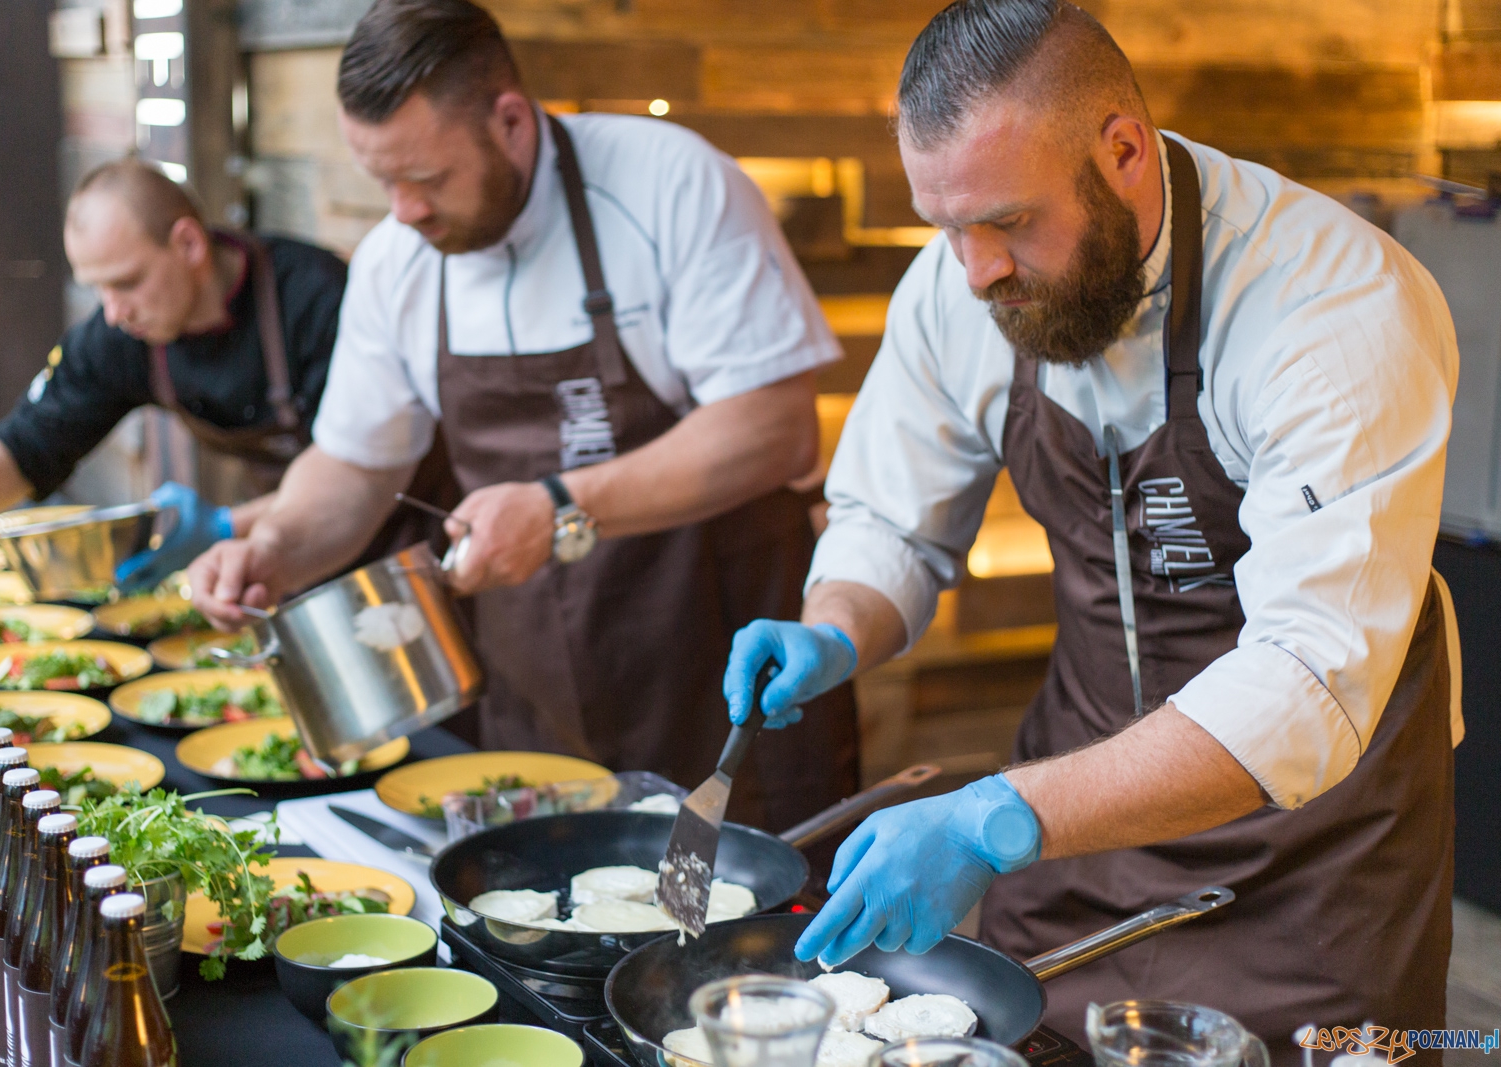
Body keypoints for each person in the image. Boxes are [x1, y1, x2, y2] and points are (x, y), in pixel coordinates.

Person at [723, 0, 1461, 1055]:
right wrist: (834, 625)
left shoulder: (1332, 307)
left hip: (1318, 863)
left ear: (1122, 151)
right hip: (1071, 817)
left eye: (1009, 222)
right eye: (948, 227)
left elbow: (1304, 682)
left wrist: (989, 818)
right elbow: (893, 518)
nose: (976, 271)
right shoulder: (962, 282)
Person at [187, 0, 859, 831]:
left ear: (509, 121)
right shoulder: (398, 260)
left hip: (728, 676)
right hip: (537, 693)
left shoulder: (671, 183)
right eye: (383, 182)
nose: (403, 210)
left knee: (752, 905)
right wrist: (276, 545)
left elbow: (775, 426)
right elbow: (357, 464)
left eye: (427, 178)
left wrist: (560, 506)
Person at [0, 159, 349, 591]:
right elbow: (24, 447)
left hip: (382, 549)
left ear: (189, 244)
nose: (113, 312)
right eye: (98, 289)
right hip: (285, 554)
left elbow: (363, 468)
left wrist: (225, 527)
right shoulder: (121, 335)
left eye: (126, 282)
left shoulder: (317, 296)